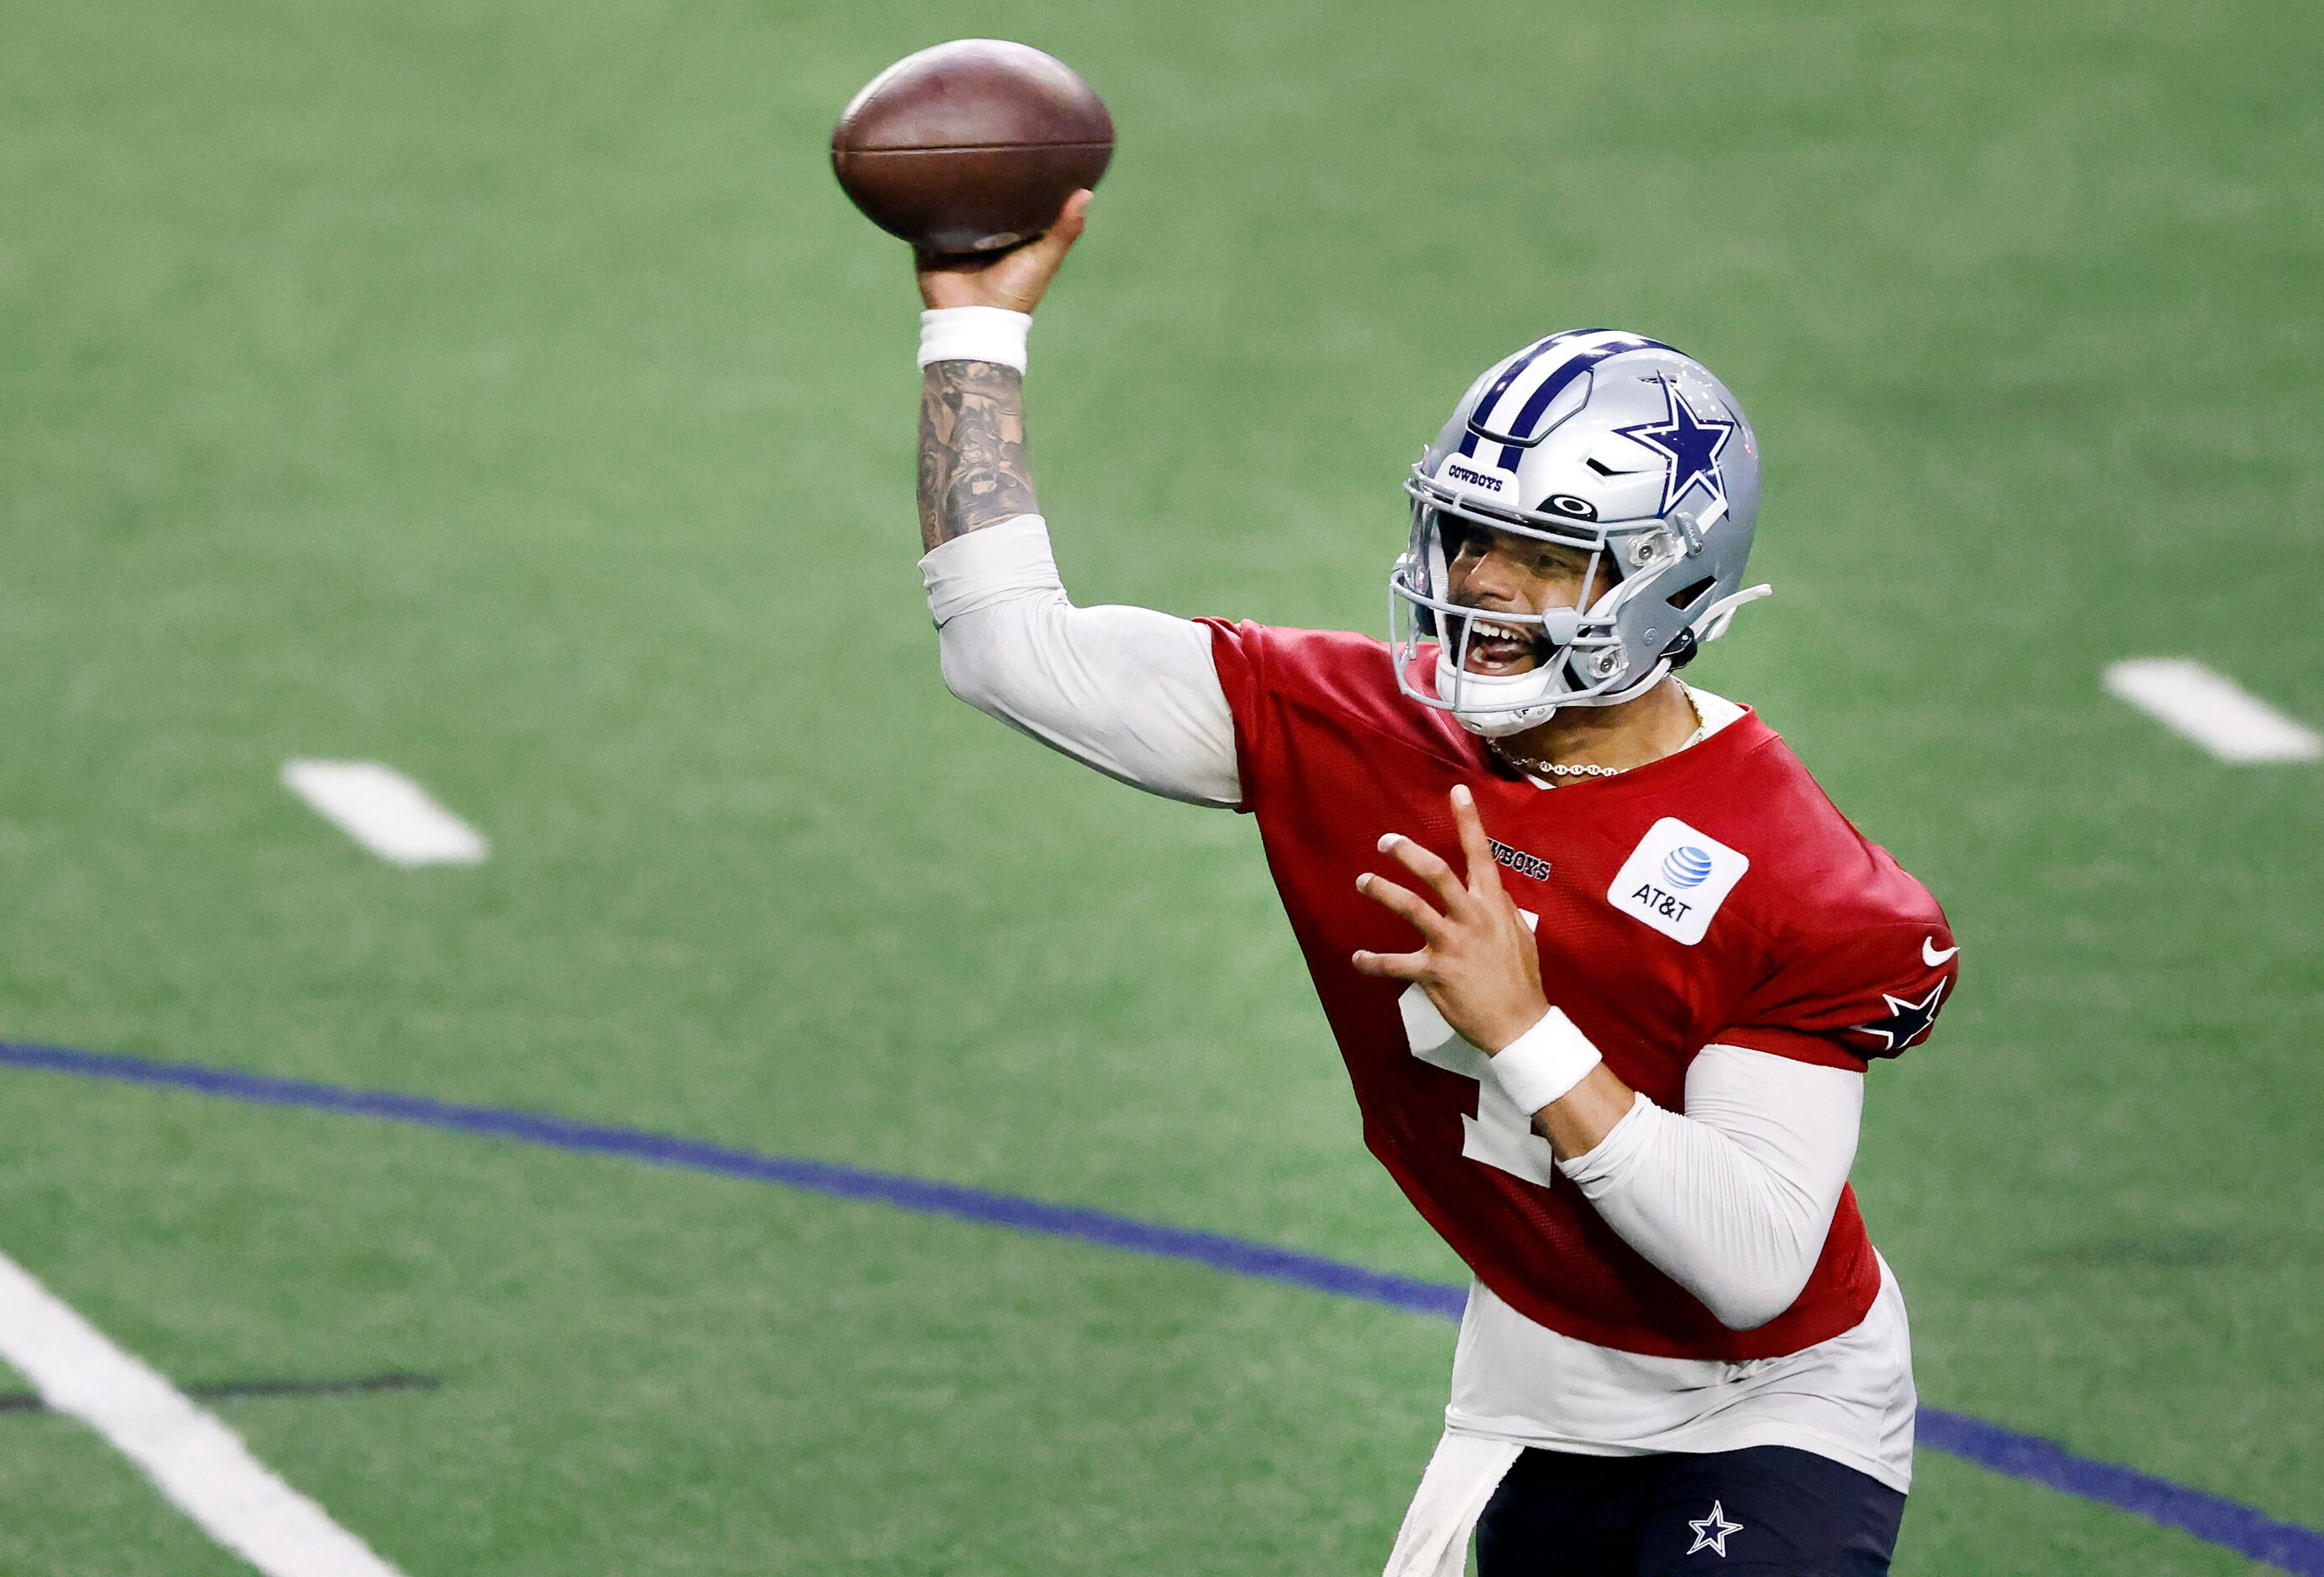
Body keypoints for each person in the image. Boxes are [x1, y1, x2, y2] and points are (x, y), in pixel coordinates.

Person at [906, 191, 1958, 1576]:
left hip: (1767, 1397)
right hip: (1534, 1386)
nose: (1480, 583)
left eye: (1542, 553)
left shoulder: (1804, 879)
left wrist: (1526, 1026)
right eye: (1467, 534)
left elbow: (1756, 1261)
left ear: (1663, 580)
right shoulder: (1357, 726)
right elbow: (1005, 650)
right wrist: (972, 321)